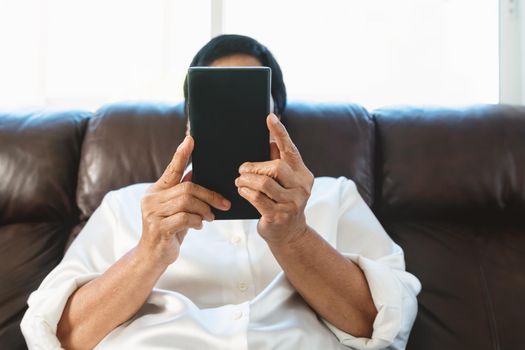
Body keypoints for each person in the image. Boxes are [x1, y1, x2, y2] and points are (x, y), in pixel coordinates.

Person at [21, 34, 421, 350]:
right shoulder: (126, 204)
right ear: (190, 119)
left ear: (275, 118)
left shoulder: (335, 196)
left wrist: (295, 237)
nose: (230, 116)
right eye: (215, 104)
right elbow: (58, 336)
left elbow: (385, 322)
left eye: (245, 103)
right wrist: (150, 253)